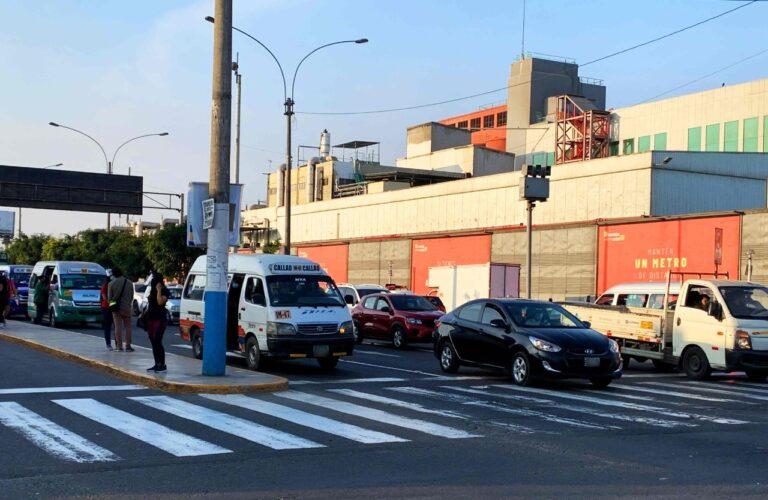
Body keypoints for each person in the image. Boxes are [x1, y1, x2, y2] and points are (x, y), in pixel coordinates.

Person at [145, 272, 169, 372]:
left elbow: (160, 302)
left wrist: (159, 290)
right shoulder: (152, 291)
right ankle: (156, 363)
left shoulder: (164, 291)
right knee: (153, 341)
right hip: (151, 318)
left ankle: (162, 364)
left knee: (158, 341)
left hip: (160, 319)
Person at [108, 267, 134, 352]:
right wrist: (128, 304)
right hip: (126, 307)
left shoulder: (111, 284)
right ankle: (128, 346)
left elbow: (110, 299)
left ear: (114, 274)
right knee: (128, 327)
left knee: (117, 327)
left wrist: (113, 308)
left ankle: (119, 346)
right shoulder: (129, 283)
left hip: (116, 309)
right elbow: (131, 296)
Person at [100, 275, 114, 350]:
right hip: (112, 307)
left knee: (107, 327)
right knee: (115, 326)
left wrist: (109, 303)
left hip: (105, 307)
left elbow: (104, 297)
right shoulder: (111, 286)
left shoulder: (104, 286)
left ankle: (108, 344)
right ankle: (117, 344)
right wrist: (112, 303)